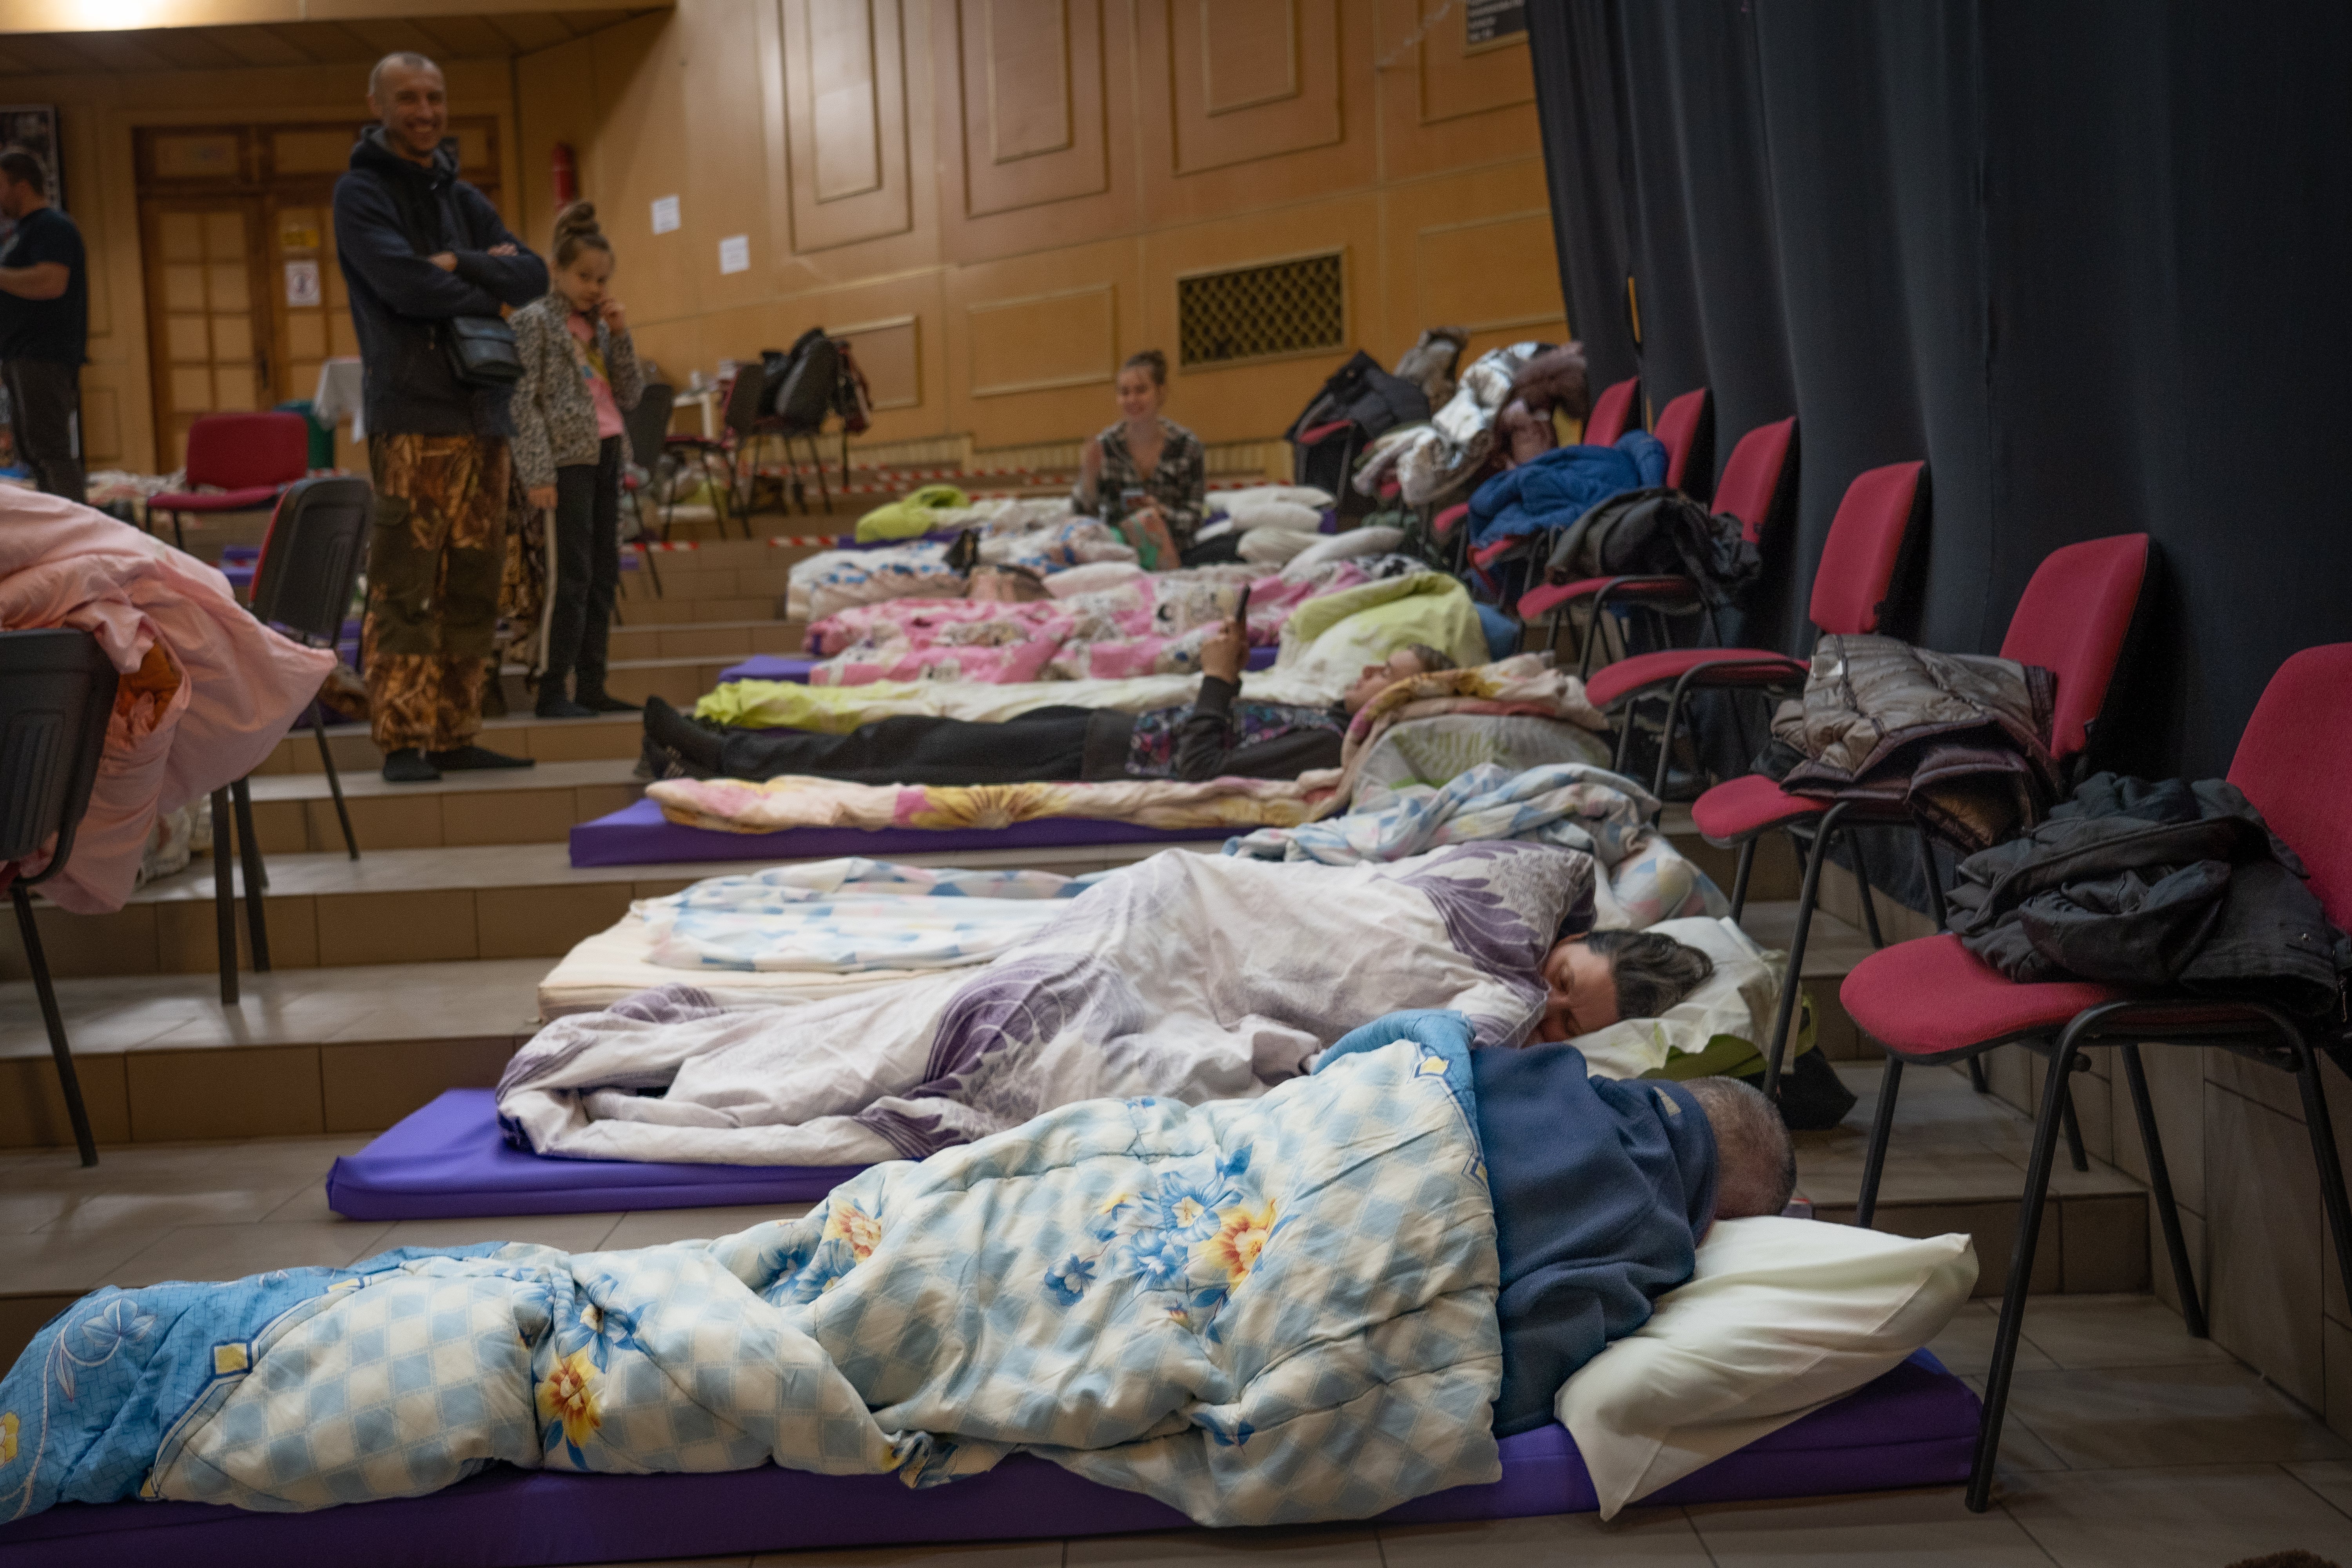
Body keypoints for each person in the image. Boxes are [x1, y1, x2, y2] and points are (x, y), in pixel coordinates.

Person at [335, 51, 549, 784]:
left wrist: (458, 261)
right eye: (407, 99)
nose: (424, 111)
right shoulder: (360, 194)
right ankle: (401, 738)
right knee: (406, 581)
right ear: (377, 103)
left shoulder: (464, 197)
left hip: (483, 412)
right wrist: (482, 287)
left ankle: (456, 732)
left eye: (434, 97)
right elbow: (402, 286)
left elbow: (534, 274)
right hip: (413, 417)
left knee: (475, 583)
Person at [640, 636, 1459, 786]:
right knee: (899, 734)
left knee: (894, 758)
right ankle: (723, 742)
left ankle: (720, 757)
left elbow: (1204, 768)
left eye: (1389, 672)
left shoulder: (1324, 744)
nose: (1368, 669)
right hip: (1097, 731)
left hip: (1090, 761)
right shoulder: (1322, 713)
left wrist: (1218, 680)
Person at [509, 200, 643, 719]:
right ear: (556, 271)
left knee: (605, 574)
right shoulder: (534, 323)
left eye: (602, 279)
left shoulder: (602, 327)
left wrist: (623, 333)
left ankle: (592, 683)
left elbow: (629, 394)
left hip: (608, 454)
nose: (594, 287)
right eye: (584, 276)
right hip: (566, 464)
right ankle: (551, 688)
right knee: (572, 575)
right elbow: (523, 402)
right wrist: (538, 473)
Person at [0, 149, 87, 502]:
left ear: (21, 186)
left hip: (44, 356)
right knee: (33, 453)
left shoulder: (53, 226)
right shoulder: (21, 233)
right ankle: (59, 529)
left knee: (49, 451)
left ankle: (78, 534)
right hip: (22, 356)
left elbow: (52, 283)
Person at [1074, 348, 1208, 565]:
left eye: (1141, 390)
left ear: (1161, 393)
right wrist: (1088, 478)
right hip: (1121, 557)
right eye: (1124, 392)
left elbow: (1196, 518)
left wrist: (1162, 513)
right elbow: (1083, 518)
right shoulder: (1107, 446)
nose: (1132, 400)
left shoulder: (1187, 446)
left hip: (1179, 553)